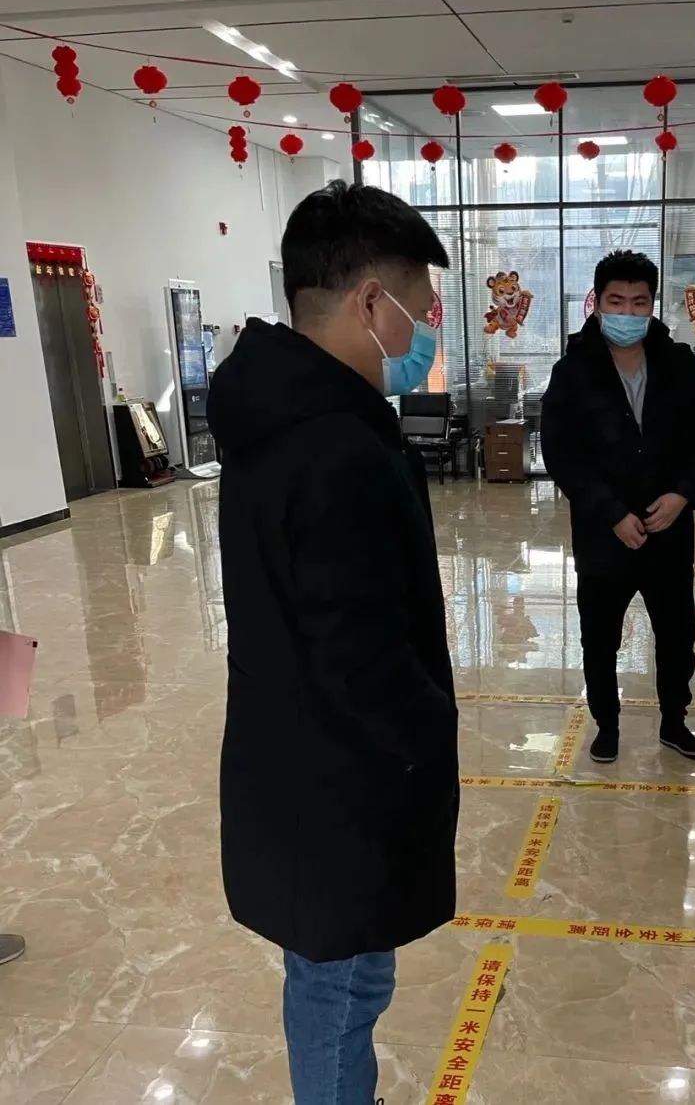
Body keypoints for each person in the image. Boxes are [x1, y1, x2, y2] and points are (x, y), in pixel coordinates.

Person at [207, 181, 459, 1105]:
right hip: (341, 784)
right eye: (420, 312)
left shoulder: (276, 419)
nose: (424, 335)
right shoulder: (338, 450)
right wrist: (428, 733)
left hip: (297, 765)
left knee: (338, 978)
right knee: (339, 989)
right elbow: (362, 655)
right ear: (370, 303)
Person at [542, 250, 695, 764]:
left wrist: (683, 494)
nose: (627, 312)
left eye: (638, 302)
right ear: (598, 303)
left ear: (652, 305)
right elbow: (560, 452)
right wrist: (611, 513)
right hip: (605, 535)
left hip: (669, 529)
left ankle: (674, 722)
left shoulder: (679, 363)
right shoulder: (573, 371)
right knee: (600, 637)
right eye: (616, 301)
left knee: (677, 635)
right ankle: (607, 725)